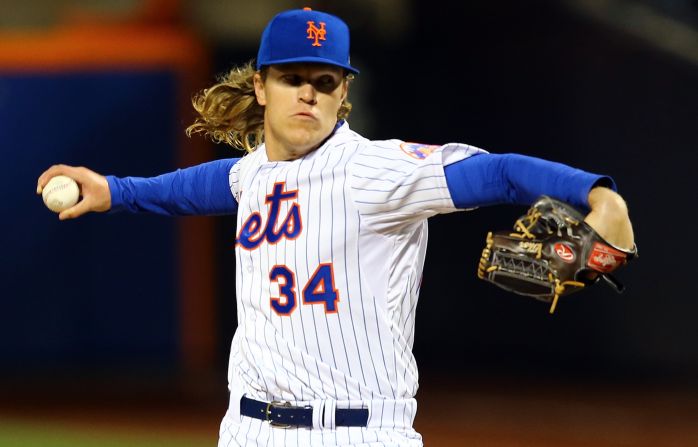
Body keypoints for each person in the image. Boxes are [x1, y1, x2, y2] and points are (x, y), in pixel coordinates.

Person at [36, 7, 634, 447]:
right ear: (260, 85)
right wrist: (115, 191)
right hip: (247, 431)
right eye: (293, 78)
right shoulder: (252, 175)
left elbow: (500, 174)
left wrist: (597, 192)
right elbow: (204, 186)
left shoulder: (376, 170)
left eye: (324, 82)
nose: (309, 95)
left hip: (359, 432)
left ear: (344, 92)